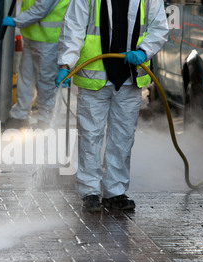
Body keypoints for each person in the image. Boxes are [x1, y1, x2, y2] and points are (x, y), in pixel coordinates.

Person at [55, 0, 169, 213]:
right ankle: (90, 192)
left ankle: (115, 192)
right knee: (90, 135)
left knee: (123, 137)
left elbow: (159, 27)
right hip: (94, 76)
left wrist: (144, 51)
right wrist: (66, 64)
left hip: (130, 77)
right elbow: (73, 27)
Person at [2, 0, 69, 130]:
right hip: (32, 34)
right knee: (25, 78)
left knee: (46, 83)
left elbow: (42, 8)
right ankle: (20, 117)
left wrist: (17, 21)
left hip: (49, 40)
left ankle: (46, 121)